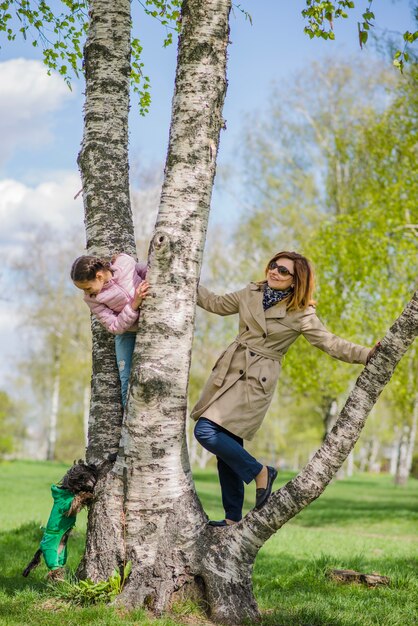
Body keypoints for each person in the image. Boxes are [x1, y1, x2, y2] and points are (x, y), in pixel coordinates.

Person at [191, 251, 378, 527]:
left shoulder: (301, 313)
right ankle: (232, 518)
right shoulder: (251, 292)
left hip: (256, 381)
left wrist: (365, 354)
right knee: (226, 447)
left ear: (295, 281)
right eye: (273, 266)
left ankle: (261, 472)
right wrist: (182, 281)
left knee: (205, 431)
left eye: (283, 271)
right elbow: (216, 303)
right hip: (229, 370)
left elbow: (330, 342)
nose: (274, 272)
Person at [71, 253, 149, 406]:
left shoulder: (125, 263)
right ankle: (129, 420)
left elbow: (147, 271)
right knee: (126, 378)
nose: (87, 293)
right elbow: (113, 326)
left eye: (87, 287)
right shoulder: (91, 299)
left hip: (152, 323)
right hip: (127, 332)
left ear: (99, 276)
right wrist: (134, 304)